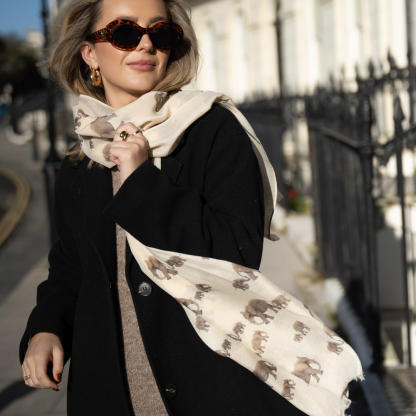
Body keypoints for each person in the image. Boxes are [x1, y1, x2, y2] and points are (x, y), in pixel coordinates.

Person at [18, 0, 317, 415]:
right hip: (108, 390)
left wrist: (142, 182)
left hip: (208, 386)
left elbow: (237, 253)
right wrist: (46, 328)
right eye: (124, 32)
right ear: (90, 53)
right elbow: (70, 268)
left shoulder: (212, 131)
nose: (145, 44)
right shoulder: (81, 161)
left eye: (160, 33)